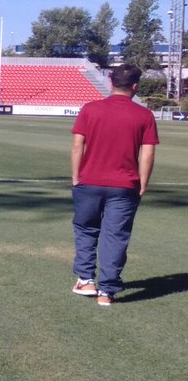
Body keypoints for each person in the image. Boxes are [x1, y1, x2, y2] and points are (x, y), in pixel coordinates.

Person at [69, 63, 159, 306]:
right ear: (135, 86)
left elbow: (78, 145)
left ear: (111, 82)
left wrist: (76, 177)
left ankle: (86, 280)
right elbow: (147, 154)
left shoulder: (90, 109)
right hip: (125, 185)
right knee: (115, 236)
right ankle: (107, 292)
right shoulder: (144, 115)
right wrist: (143, 184)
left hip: (89, 182)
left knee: (86, 230)